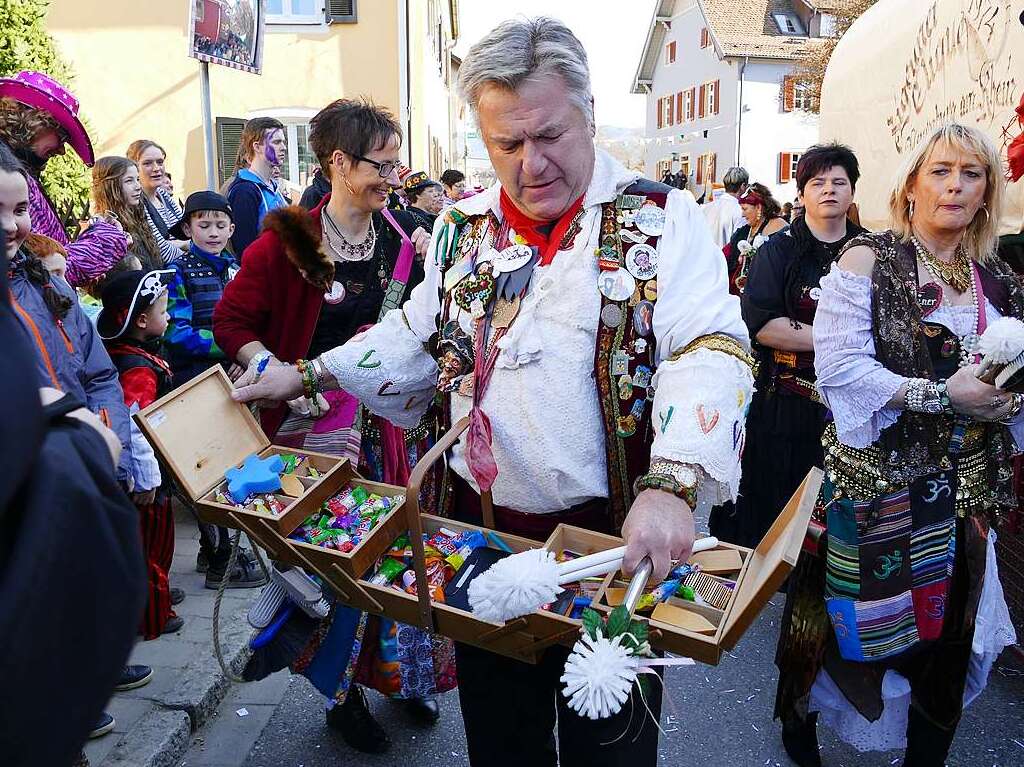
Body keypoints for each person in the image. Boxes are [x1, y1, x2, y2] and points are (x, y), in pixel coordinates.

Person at [230, 18, 753, 767]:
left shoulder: (664, 220)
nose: (529, 164)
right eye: (507, 144)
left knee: (612, 749)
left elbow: (710, 344)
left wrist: (673, 483)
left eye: (549, 135)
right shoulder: (459, 229)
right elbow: (414, 334)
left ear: (590, 117)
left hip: (613, 554)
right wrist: (305, 373)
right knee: (504, 747)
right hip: (481, 550)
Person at [774, 123, 1020, 766]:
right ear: (911, 183)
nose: (955, 186)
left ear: (987, 189)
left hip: (966, 499)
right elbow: (843, 371)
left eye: (971, 173)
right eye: (940, 171)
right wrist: (944, 396)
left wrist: (1007, 400)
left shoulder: (999, 278)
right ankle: (797, 734)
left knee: (948, 642)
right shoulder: (866, 260)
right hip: (873, 489)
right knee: (825, 636)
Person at [214, 98, 448, 753]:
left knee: (398, 562)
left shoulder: (403, 242)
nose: (394, 175)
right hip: (313, 433)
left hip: (390, 432)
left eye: (398, 163)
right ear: (338, 162)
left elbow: (421, 329)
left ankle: (403, 675)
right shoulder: (286, 241)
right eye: (383, 163)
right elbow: (230, 323)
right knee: (336, 572)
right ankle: (343, 695)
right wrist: (276, 366)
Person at [0, 143, 153, 749]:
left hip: (86, 457)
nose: (13, 227)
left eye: (18, 210)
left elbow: (97, 371)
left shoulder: (49, 284)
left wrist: (110, 433)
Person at [710, 144, 864, 549]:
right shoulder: (780, 250)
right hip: (786, 405)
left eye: (839, 182)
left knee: (842, 521)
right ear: (801, 194)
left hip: (854, 407)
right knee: (777, 513)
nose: (829, 190)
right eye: (818, 182)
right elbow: (762, 324)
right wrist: (839, 340)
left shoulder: (872, 252)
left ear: (852, 192)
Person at [163, 191, 263, 588]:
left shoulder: (236, 268)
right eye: (203, 225)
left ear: (232, 228)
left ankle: (213, 551)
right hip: (196, 382)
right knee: (204, 469)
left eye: (221, 225)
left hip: (234, 379)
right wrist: (232, 344)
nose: (213, 232)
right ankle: (223, 559)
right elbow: (177, 333)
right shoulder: (179, 274)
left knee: (231, 464)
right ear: (187, 228)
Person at [98, 269, 185, 639]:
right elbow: (135, 425)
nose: (169, 318)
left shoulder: (131, 354)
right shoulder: (137, 368)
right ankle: (153, 613)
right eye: (164, 312)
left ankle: (157, 592)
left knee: (150, 545)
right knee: (153, 546)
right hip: (146, 477)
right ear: (142, 320)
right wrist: (148, 477)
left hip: (145, 470)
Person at [0, 70, 128, 287]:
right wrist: (108, 238)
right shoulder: (8, 173)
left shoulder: (18, 169)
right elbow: (46, 269)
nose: (61, 150)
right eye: (61, 136)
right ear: (33, 122)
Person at [225, 117, 289, 257]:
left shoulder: (273, 187)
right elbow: (245, 250)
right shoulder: (244, 191)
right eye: (276, 142)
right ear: (257, 146)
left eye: (283, 142)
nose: (283, 147)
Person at [91, 156, 163, 272]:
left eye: (138, 179)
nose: (138, 186)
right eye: (129, 181)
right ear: (110, 187)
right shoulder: (103, 227)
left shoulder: (136, 215)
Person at [127, 139, 187, 265]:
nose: (156, 168)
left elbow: (189, 232)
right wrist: (189, 249)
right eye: (148, 163)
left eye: (160, 162)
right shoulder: (136, 202)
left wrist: (180, 244)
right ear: (134, 168)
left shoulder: (164, 195)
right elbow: (162, 252)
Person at [726, 181, 788, 293]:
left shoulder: (779, 228)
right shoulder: (743, 232)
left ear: (758, 207)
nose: (742, 215)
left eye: (745, 209)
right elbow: (726, 255)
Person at [702, 165, 748, 248]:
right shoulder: (740, 211)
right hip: (725, 258)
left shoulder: (706, 207)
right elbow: (740, 244)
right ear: (742, 186)